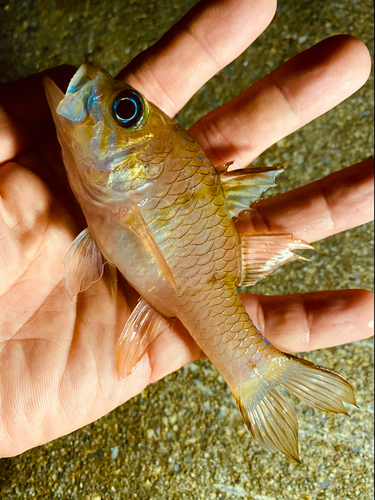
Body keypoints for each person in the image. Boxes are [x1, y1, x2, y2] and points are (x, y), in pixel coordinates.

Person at [0, 0, 373, 458]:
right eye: (128, 109)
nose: (100, 92)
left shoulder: (114, 189)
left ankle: (255, 369)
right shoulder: (110, 186)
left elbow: (105, 243)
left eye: (125, 110)